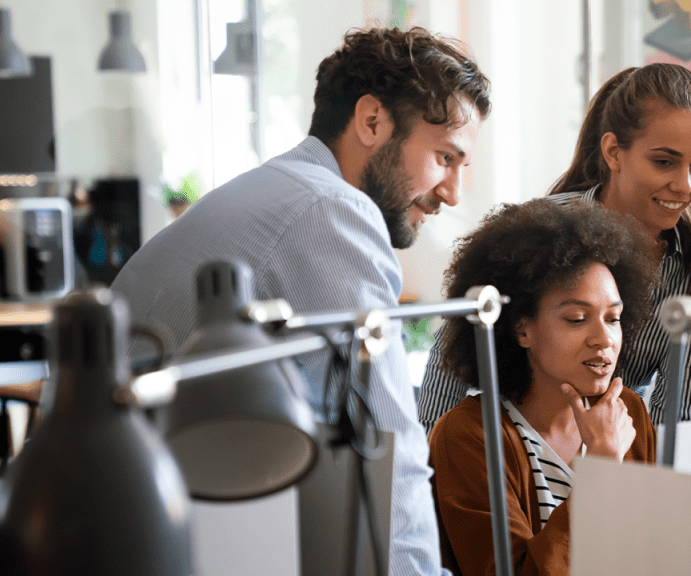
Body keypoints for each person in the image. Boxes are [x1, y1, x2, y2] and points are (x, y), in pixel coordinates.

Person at [110, 27, 491, 575]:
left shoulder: (274, 190)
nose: (453, 191)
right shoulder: (330, 209)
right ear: (372, 121)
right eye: (444, 157)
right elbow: (387, 446)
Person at [418, 63, 691, 428]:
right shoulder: (535, 231)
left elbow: (676, 413)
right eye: (664, 162)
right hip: (515, 444)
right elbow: (451, 361)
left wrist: (629, 473)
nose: (684, 185)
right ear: (613, 152)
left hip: (614, 451)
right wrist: (429, 469)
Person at [428, 198, 658, 575]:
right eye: (576, 318)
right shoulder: (468, 437)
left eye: (613, 318)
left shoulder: (626, 412)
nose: (604, 339)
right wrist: (598, 468)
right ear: (522, 329)